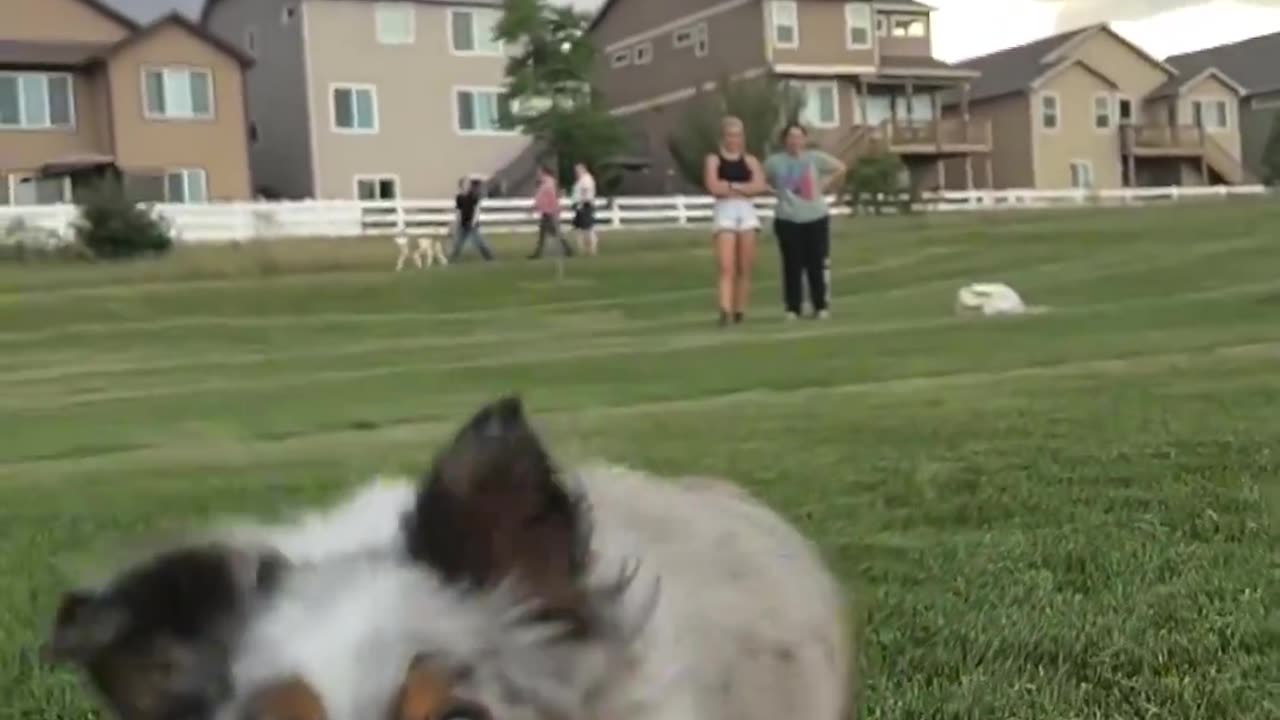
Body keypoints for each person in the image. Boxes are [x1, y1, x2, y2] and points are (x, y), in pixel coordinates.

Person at [763, 123, 847, 320]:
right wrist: (772, 190)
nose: (795, 141)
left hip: (815, 217)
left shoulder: (814, 158)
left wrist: (826, 182)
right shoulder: (775, 162)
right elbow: (758, 177)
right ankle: (793, 308)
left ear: (804, 139)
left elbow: (840, 168)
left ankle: (820, 306)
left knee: (815, 264)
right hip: (787, 219)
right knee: (792, 265)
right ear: (785, 140)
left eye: (799, 136)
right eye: (791, 137)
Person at [704, 116, 767, 326]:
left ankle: (740, 309)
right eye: (730, 135)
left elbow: (759, 185)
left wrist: (732, 187)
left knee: (744, 266)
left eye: (738, 135)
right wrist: (741, 187)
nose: (734, 140)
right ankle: (725, 309)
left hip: (746, 211)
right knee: (726, 265)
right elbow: (714, 187)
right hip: (725, 211)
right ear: (723, 137)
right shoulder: (714, 159)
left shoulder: (750, 160)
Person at [529, 165, 574, 259]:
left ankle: (568, 250)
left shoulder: (548, 183)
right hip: (546, 211)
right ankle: (539, 253)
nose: (537, 174)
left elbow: (552, 198)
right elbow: (541, 198)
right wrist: (535, 206)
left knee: (552, 233)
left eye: (539, 172)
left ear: (544, 172)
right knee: (545, 233)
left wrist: (554, 210)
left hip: (549, 212)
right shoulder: (544, 183)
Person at [451, 176, 494, 262]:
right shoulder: (459, 197)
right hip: (463, 223)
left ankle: (489, 257)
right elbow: (458, 211)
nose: (466, 186)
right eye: (464, 184)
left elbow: (476, 209)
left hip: (472, 223)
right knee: (458, 243)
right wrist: (456, 222)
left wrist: (474, 221)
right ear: (460, 186)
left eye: (467, 185)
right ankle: (453, 259)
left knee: (479, 241)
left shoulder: (473, 196)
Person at [570, 163, 599, 256]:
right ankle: (582, 249)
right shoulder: (580, 180)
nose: (576, 172)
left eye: (577, 170)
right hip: (581, 205)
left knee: (588, 228)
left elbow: (585, 192)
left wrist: (581, 204)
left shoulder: (586, 179)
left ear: (583, 169)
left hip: (585, 205)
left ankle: (592, 249)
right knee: (579, 228)